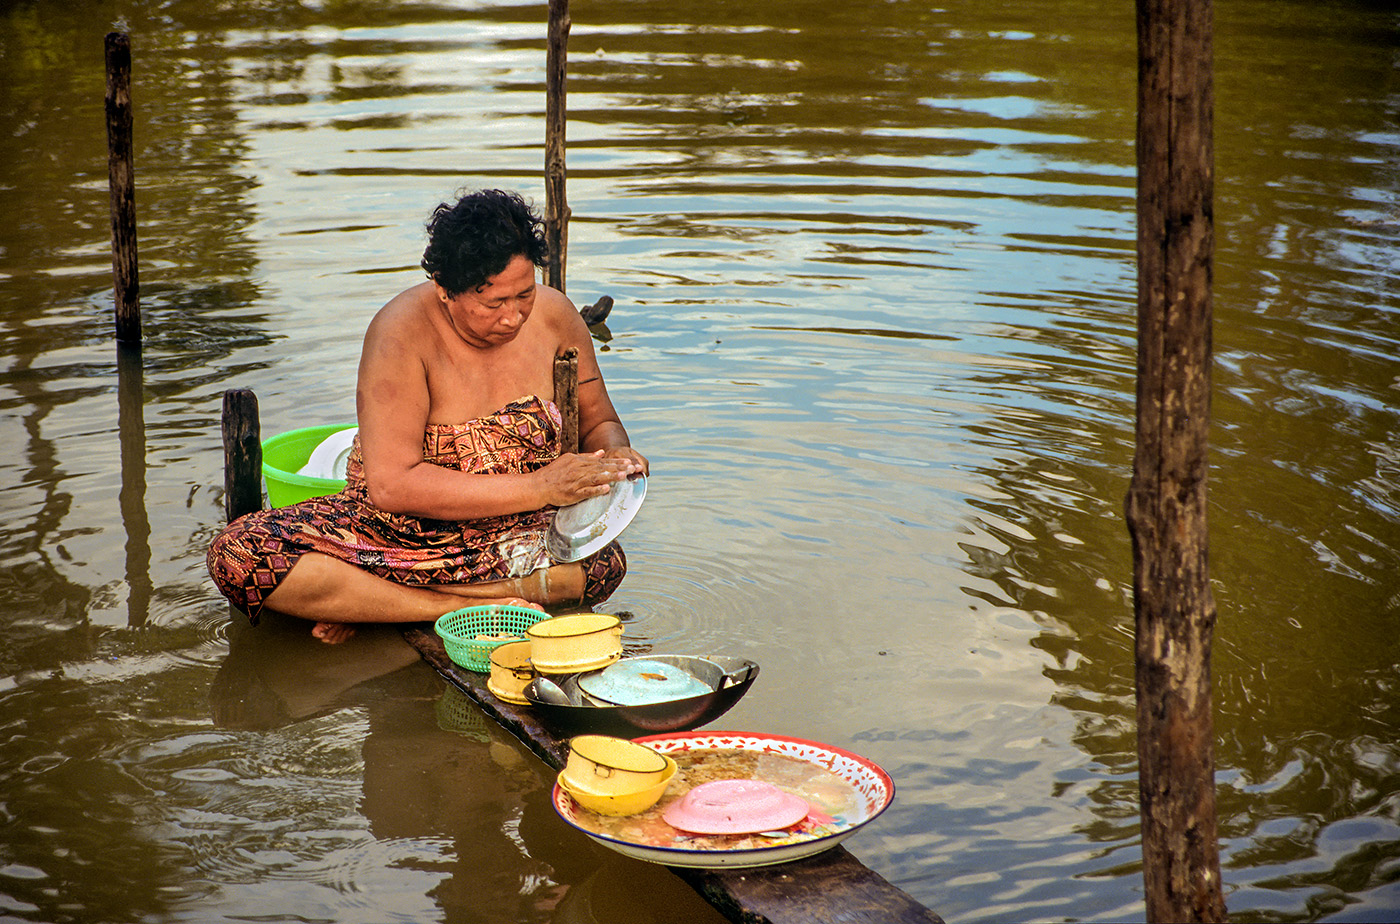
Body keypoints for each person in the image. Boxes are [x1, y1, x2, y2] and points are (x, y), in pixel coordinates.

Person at [208, 189, 648, 643]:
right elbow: (392, 486)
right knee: (239, 554)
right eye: (492, 303)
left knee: (603, 567)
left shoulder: (556, 317)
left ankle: (376, 602)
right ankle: (457, 605)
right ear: (443, 288)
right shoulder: (399, 335)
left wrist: (616, 458)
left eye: (524, 294)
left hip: (518, 536)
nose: (513, 317)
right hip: (399, 538)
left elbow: (600, 423)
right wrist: (539, 487)